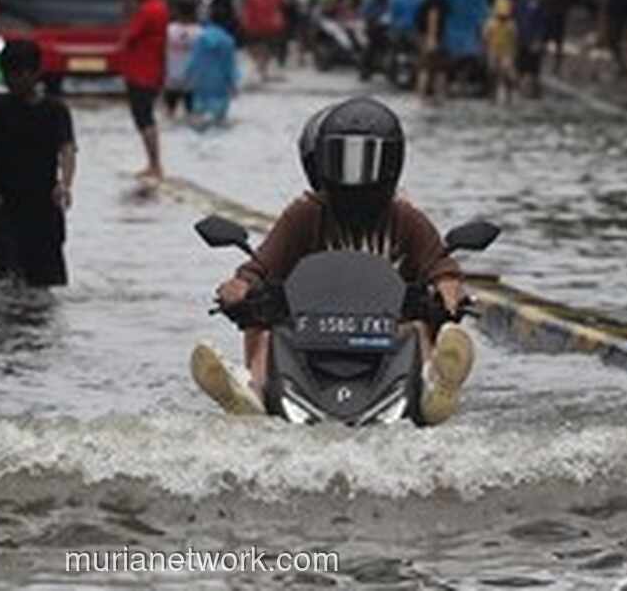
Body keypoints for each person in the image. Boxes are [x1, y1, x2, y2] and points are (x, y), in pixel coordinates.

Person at [193, 97, 474, 424]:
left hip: (388, 342)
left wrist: (448, 288)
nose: (355, 176)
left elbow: (440, 265)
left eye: (367, 161)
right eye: (344, 160)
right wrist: (240, 287)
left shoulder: (406, 218)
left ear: (391, 163)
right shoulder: (304, 214)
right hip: (310, 340)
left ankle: (433, 387)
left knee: (421, 325)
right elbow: (260, 266)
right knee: (261, 317)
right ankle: (253, 389)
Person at [0, 40, 77, 287]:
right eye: (10, 74)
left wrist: (65, 185)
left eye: (22, 73)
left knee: (45, 281)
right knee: (9, 277)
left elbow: (67, 149)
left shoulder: (55, 110)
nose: (15, 81)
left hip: (44, 202)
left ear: (35, 73)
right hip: (4, 202)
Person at [119, 0, 169, 183]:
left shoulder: (148, 10)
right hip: (152, 70)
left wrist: (129, 11)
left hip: (141, 71)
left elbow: (129, 35)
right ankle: (154, 163)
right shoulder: (161, 7)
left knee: (143, 117)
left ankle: (154, 164)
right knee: (146, 116)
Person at [184, 8, 239, 129]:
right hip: (220, 84)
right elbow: (230, 65)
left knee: (198, 114)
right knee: (219, 120)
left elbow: (193, 60)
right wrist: (233, 84)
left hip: (201, 82)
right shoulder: (228, 41)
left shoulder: (200, 38)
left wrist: (187, 76)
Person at [240, 0, 284, 82]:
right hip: (270, 24)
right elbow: (277, 6)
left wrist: (246, 22)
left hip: (256, 24)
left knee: (255, 47)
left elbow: (249, 9)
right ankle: (263, 70)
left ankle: (260, 68)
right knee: (266, 47)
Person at [163, 0, 201, 120]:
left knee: (169, 114)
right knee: (191, 115)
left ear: (176, 12)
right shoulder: (201, 33)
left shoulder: (168, 30)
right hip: (192, 80)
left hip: (172, 79)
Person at [414, 0, 449, 104]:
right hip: (435, 37)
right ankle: (438, 97)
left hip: (431, 37)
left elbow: (433, 17)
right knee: (438, 69)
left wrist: (431, 38)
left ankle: (421, 98)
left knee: (425, 68)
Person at [515, 0, 549, 97]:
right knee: (521, 67)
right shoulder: (520, 2)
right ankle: (521, 91)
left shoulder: (539, 3)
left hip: (534, 41)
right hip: (522, 40)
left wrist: (539, 40)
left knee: (533, 69)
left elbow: (542, 23)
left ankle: (534, 91)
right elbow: (517, 21)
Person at [483, 0, 519, 104]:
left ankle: (509, 95)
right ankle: (491, 95)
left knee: (506, 72)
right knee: (492, 71)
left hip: (507, 51)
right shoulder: (490, 23)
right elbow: (485, 38)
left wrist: (513, 55)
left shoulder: (511, 25)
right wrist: (486, 50)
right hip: (493, 50)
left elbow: (515, 40)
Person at [359, 0, 392, 82]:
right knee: (370, 47)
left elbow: (391, 12)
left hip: (386, 28)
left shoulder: (388, 0)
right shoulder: (371, 0)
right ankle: (364, 69)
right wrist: (373, 19)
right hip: (373, 28)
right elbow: (364, 14)